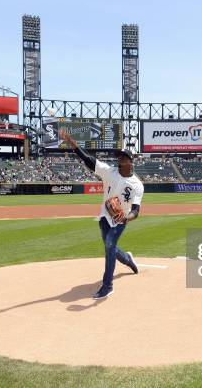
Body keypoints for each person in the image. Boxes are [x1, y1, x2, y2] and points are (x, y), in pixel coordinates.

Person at [59, 129, 144, 300]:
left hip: (121, 219)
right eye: (118, 156)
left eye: (122, 157)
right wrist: (71, 142)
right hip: (105, 216)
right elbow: (87, 159)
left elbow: (136, 210)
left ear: (130, 161)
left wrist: (127, 217)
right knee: (110, 246)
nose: (119, 158)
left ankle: (107, 286)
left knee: (109, 245)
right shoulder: (108, 171)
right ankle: (128, 259)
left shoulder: (137, 185)